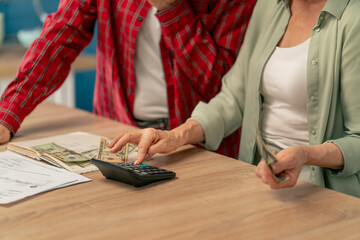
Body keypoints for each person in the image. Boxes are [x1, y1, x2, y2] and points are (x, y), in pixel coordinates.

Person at [108, 0, 360, 197]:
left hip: (322, 191)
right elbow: (234, 97)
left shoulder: (354, 18)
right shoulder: (270, 5)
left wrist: (306, 155)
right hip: (255, 177)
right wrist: (176, 136)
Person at [0, 0, 256, 158]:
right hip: (118, 133)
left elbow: (225, 91)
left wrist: (171, 8)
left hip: (198, 146)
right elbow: (61, 36)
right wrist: (7, 114)